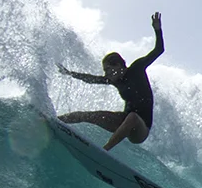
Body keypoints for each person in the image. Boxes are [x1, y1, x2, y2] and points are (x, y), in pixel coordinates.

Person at [57, 12, 164, 151]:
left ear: (118, 65)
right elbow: (92, 79)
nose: (106, 74)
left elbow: (159, 50)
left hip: (141, 129)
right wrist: (70, 73)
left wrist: (157, 29)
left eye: (108, 69)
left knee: (132, 117)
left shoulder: (137, 68)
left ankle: (105, 150)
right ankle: (55, 120)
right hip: (123, 120)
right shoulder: (115, 80)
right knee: (88, 115)